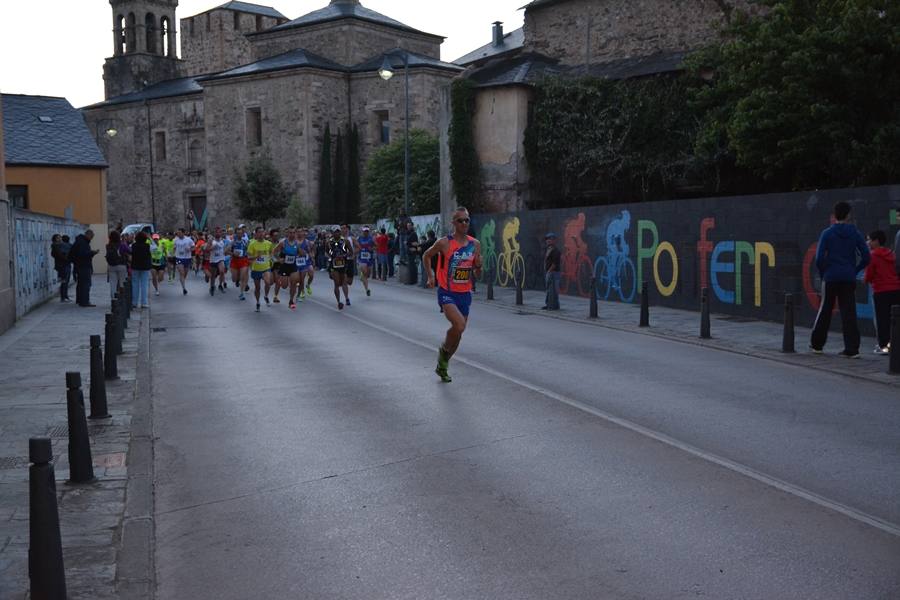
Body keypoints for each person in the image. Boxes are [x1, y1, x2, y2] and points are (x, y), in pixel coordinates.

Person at [423, 207, 482, 383]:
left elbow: (477, 274)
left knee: (459, 331)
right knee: (459, 324)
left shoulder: (475, 244)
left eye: (467, 220)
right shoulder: (445, 243)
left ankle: (443, 363)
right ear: (454, 223)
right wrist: (431, 275)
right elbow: (426, 256)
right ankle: (443, 351)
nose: (464, 223)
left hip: (465, 293)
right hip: (447, 292)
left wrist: (478, 266)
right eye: (460, 220)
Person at [809, 202, 870, 357]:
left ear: (835, 215)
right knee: (849, 312)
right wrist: (854, 270)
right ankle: (852, 349)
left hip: (830, 277)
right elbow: (866, 256)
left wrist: (825, 272)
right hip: (848, 277)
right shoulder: (855, 233)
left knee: (825, 311)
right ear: (849, 215)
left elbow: (819, 258)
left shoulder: (827, 233)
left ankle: (817, 345)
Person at [864, 230, 900, 354]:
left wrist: (866, 280)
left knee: (881, 319)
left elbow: (869, 274)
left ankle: (884, 346)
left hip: (881, 290)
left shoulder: (872, 256)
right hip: (895, 289)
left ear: (876, 241)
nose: (867, 242)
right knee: (894, 319)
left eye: (869, 239)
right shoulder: (891, 254)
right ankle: (894, 344)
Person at [273, 227, 302, 309]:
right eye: (290, 233)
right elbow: (274, 252)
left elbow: (300, 252)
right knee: (284, 286)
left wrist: (302, 254)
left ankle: (291, 300)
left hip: (293, 266)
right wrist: (279, 259)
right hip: (284, 266)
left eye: (293, 233)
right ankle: (281, 280)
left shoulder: (297, 243)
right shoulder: (283, 243)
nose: (292, 234)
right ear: (287, 233)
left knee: (294, 283)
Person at [247, 226, 274, 312]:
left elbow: (271, 253)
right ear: (256, 234)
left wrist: (271, 258)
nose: (261, 234)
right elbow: (248, 257)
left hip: (266, 268)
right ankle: (258, 302)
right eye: (259, 232)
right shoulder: (252, 244)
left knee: (268, 282)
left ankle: (266, 296)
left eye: (263, 232)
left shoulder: (268, 243)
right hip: (256, 269)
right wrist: (256, 256)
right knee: (257, 288)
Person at [70, 229, 98, 307]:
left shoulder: (79, 241)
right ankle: (85, 301)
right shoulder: (83, 243)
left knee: (81, 283)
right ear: (88, 235)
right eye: (91, 237)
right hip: (84, 266)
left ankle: (80, 300)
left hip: (79, 265)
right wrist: (92, 253)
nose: (91, 239)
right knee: (86, 284)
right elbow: (83, 254)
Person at [327, 226, 352, 309]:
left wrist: (343, 255)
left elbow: (351, 252)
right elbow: (326, 253)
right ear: (332, 233)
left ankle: (347, 298)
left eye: (338, 231)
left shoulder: (345, 241)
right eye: (335, 232)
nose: (337, 233)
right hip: (334, 265)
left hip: (343, 264)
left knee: (344, 281)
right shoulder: (329, 242)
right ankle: (338, 302)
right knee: (336, 283)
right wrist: (332, 257)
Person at [130, 231, 152, 309]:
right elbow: (155, 248)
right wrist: (150, 239)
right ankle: (144, 303)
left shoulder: (133, 245)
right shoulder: (147, 246)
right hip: (145, 267)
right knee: (144, 285)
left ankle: (134, 302)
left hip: (135, 266)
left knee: (135, 284)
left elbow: (130, 252)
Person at [106, 230, 129, 299]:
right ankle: (121, 299)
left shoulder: (108, 245)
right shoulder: (122, 244)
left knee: (113, 283)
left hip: (111, 266)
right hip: (121, 265)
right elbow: (130, 251)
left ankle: (113, 299)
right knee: (122, 283)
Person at [230, 226, 251, 301]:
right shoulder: (232, 242)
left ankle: (242, 293)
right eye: (237, 233)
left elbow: (250, 251)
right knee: (234, 279)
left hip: (243, 260)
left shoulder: (245, 242)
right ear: (235, 234)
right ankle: (237, 279)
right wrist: (233, 253)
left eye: (241, 233)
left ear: (243, 234)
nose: (239, 235)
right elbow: (225, 251)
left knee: (243, 277)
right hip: (235, 261)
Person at [173, 228, 195, 295]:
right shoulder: (175, 240)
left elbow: (194, 247)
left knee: (185, 273)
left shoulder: (188, 239)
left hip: (187, 258)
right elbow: (174, 248)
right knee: (182, 273)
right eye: (177, 233)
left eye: (179, 232)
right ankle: (184, 288)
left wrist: (190, 249)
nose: (178, 234)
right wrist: (173, 253)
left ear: (183, 233)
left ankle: (182, 280)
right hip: (178, 258)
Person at [51, 234, 72, 303]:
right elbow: (60, 255)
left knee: (66, 282)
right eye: (57, 238)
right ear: (54, 239)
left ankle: (65, 296)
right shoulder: (55, 246)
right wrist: (67, 258)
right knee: (64, 282)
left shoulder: (62, 245)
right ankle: (63, 297)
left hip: (66, 265)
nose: (59, 239)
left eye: (60, 237)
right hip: (62, 266)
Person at [543, 233, 561, 310]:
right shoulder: (548, 249)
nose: (548, 241)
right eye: (547, 239)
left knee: (554, 290)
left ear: (554, 240)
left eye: (550, 239)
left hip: (553, 273)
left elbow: (555, 264)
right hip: (549, 272)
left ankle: (555, 305)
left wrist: (549, 271)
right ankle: (549, 304)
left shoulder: (556, 251)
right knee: (549, 289)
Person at [356, 226, 375, 297]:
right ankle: (367, 289)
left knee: (367, 275)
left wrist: (372, 248)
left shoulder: (371, 239)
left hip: (369, 258)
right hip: (362, 258)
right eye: (364, 231)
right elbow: (356, 246)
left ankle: (362, 276)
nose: (366, 232)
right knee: (364, 272)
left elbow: (376, 246)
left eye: (367, 231)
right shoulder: (359, 239)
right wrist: (357, 250)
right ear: (362, 231)